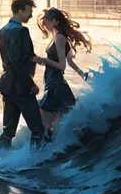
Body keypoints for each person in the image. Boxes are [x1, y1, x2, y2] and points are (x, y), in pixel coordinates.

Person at [0, 0, 46, 150]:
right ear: (20, 10)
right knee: (38, 129)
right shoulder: (21, 31)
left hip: (7, 85)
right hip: (21, 86)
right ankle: (36, 161)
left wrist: (35, 58)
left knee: (8, 131)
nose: (30, 15)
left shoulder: (2, 31)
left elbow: (11, 59)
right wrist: (31, 84)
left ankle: (0, 158)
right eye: (28, 11)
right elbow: (17, 61)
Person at [34, 8, 92, 141]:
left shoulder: (59, 38)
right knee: (53, 127)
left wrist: (44, 60)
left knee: (45, 126)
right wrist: (82, 74)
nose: (45, 24)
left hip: (54, 85)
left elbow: (62, 65)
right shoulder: (57, 37)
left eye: (47, 21)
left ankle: (42, 153)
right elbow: (69, 61)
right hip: (54, 84)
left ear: (55, 21)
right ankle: (54, 151)